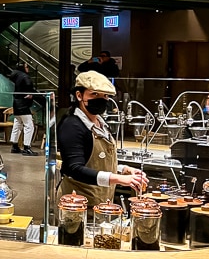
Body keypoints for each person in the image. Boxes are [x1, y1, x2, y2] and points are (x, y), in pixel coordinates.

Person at [58, 71, 148, 207]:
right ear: (79, 95)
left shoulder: (100, 123)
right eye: (94, 94)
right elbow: (74, 168)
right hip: (78, 208)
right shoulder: (72, 125)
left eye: (105, 95)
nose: (101, 99)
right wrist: (120, 179)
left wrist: (125, 170)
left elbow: (96, 163)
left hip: (101, 205)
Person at [9, 62, 39, 156]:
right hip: (23, 104)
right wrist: (31, 94)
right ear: (23, 68)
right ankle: (27, 148)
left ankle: (14, 146)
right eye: (27, 66)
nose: (28, 68)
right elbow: (29, 86)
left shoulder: (17, 76)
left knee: (17, 124)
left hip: (16, 103)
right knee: (29, 126)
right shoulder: (25, 77)